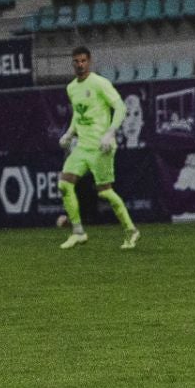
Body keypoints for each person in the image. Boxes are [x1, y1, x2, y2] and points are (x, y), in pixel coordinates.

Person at [57, 45, 139, 251]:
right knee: (64, 184)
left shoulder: (100, 83)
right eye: (76, 61)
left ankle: (131, 230)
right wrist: (69, 133)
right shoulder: (71, 88)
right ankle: (78, 232)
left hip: (102, 146)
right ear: (72, 63)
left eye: (83, 61)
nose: (80, 65)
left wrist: (110, 132)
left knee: (105, 192)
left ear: (89, 61)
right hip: (83, 147)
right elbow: (78, 113)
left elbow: (120, 107)